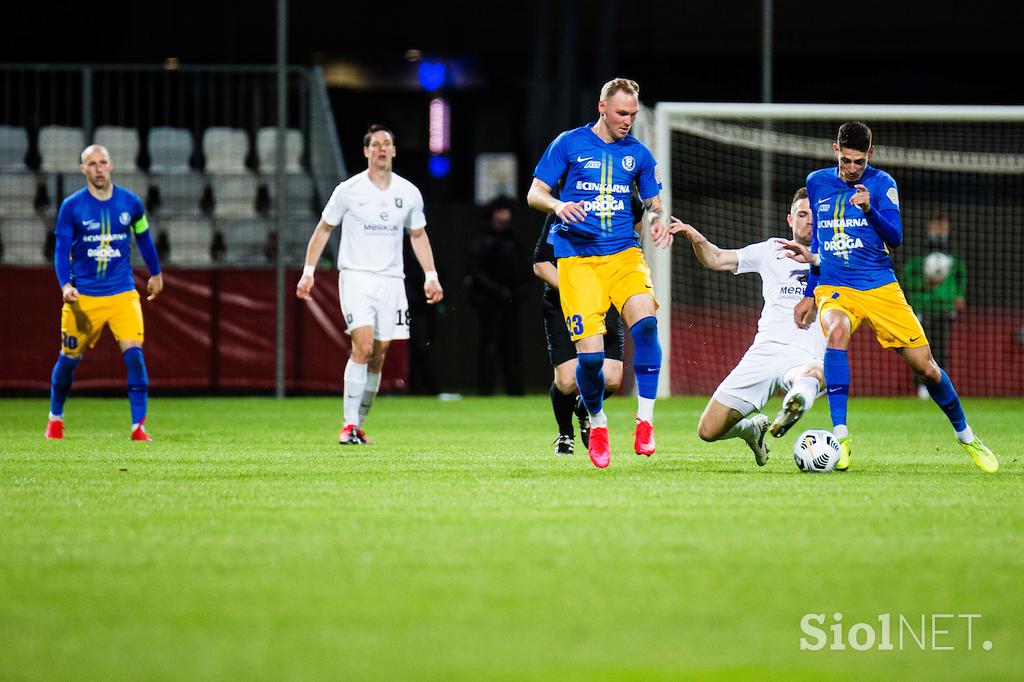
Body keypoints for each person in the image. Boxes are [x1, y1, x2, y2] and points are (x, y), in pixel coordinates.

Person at [781, 122, 998, 473]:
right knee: (836, 333)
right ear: (836, 150)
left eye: (859, 162)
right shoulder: (817, 181)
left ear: (871, 154)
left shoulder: (882, 184)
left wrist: (869, 209)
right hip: (836, 285)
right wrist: (810, 290)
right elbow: (820, 240)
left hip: (880, 286)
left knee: (927, 368)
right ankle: (842, 437)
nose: (852, 169)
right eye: (847, 160)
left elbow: (895, 237)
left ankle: (967, 436)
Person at [527, 77, 680, 469]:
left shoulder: (639, 155)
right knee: (590, 365)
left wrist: (659, 218)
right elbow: (535, 193)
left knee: (646, 325)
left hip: (623, 255)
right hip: (578, 261)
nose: (629, 120)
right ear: (602, 108)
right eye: (621, 113)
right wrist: (558, 207)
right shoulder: (569, 143)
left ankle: (644, 422)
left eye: (632, 112)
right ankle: (596, 422)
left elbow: (654, 203)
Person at [296, 124, 443, 445]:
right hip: (356, 277)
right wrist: (308, 271)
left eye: (386, 143)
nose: (380, 148)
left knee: (379, 355)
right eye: (375, 144)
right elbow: (323, 229)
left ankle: (358, 425)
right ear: (366, 152)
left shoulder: (408, 193)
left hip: (392, 281)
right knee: (361, 347)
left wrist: (431, 276)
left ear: (393, 151)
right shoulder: (348, 191)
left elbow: (417, 235)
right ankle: (348, 426)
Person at [672, 188, 825, 465]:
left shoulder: (835, 257)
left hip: (805, 352)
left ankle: (797, 401)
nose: (809, 221)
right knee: (708, 430)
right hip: (764, 353)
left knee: (812, 373)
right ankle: (752, 430)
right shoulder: (771, 250)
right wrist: (697, 239)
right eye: (802, 214)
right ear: (790, 219)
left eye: (815, 216)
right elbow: (716, 258)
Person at [45, 144, 164, 441]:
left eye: (103, 162)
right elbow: (61, 251)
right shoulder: (71, 207)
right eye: (91, 163)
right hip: (83, 298)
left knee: (134, 355)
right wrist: (65, 285)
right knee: (69, 359)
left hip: (122, 294)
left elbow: (145, 240)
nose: (98, 168)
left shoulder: (131, 203)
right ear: (83, 169)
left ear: (111, 165)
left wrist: (156, 273)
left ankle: (139, 427)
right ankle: (55, 418)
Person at [531, 194, 645, 456]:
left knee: (613, 379)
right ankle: (565, 433)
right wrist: (580, 290)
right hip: (563, 303)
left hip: (604, 303)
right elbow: (540, 264)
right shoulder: (565, 210)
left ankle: (585, 408)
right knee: (568, 380)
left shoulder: (623, 202)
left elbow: (638, 222)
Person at [466, 197, 530, 396]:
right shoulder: (483, 241)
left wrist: (518, 291)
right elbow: (476, 272)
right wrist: (497, 290)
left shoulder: (513, 240)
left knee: (511, 347)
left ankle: (515, 389)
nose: (504, 216)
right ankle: (485, 390)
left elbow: (523, 270)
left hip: (510, 302)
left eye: (506, 211)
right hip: (488, 303)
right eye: (500, 211)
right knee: (489, 346)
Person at [902, 212, 966, 399]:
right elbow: (907, 277)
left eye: (942, 226)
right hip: (924, 307)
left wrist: (959, 295)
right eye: (936, 226)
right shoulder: (920, 255)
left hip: (945, 308)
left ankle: (941, 385)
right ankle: (923, 386)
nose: (939, 230)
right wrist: (923, 284)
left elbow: (962, 276)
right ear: (929, 227)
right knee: (922, 348)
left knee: (942, 347)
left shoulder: (954, 255)